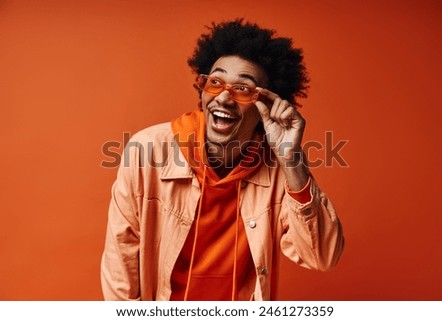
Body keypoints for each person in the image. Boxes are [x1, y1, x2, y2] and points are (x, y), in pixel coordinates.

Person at [100, 19, 344, 301]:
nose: (224, 99)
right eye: (215, 82)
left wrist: (292, 160)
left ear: (268, 105)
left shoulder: (280, 168)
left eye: (243, 89)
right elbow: (120, 260)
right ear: (203, 91)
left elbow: (322, 257)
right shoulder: (146, 150)